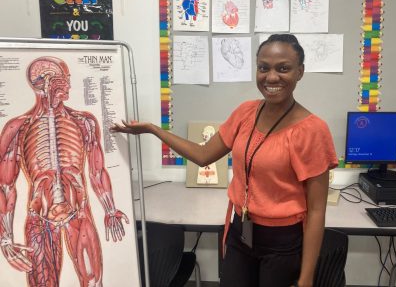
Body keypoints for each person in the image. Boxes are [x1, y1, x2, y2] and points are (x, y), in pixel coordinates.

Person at [111, 34, 338, 287]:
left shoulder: (312, 130)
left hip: (282, 242)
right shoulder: (245, 112)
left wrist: (306, 279)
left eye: (283, 68)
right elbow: (203, 154)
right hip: (241, 230)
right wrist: (154, 130)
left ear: (300, 72)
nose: (271, 77)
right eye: (263, 68)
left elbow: (317, 210)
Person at [0, 56, 129, 287]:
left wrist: (110, 209)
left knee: (92, 282)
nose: (69, 85)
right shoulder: (18, 127)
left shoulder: (84, 122)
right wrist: (5, 238)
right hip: (40, 220)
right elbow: (5, 186)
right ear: (45, 81)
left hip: (78, 214)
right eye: (63, 79)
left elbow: (97, 172)